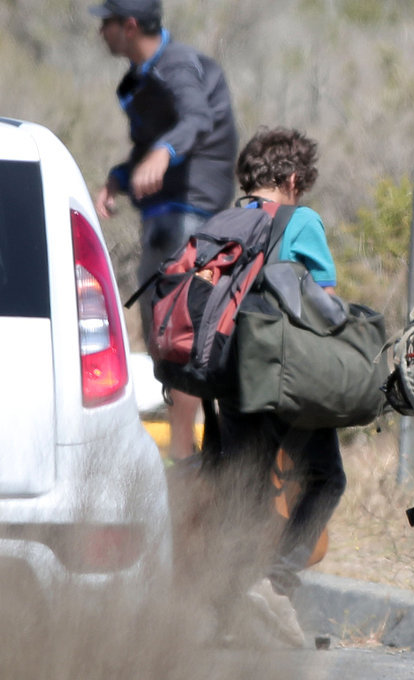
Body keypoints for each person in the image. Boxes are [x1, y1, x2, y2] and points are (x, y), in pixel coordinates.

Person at [213, 127, 346, 646]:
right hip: (285, 374)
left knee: (244, 490)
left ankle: (227, 609)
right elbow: (323, 301)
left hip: (228, 374)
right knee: (326, 479)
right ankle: (275, 583)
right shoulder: (300, 220)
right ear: (293, 179)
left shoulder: (223, 220)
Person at [90, 0, 238, 461]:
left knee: (179, 331)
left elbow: (197, 119)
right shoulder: (142, 76)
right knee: (159, 334)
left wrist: (163, 153)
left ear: (129, 26)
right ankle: (188, 452)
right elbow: (147, 146)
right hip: (165, 213)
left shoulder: (177, 65)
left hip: (190, 212)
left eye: (107, 23)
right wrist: (119, 177)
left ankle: (184, 455)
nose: (101, 33)